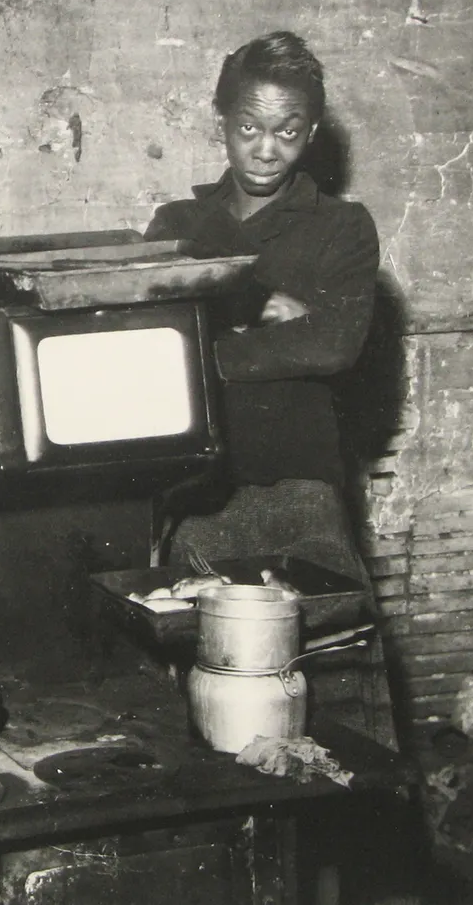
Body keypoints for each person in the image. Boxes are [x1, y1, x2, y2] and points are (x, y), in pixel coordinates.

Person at [146, 31, 378, 584]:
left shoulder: (341, 227)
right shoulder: (177, 227)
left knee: (331, 654)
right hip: (196, 499)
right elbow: (152, 354)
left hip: (302, 493)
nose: (267, 149)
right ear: (221, 118)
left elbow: (332, 345)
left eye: (288, 132)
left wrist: (206, 345)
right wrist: (272, 324)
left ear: (312, 133)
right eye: (249, 127)